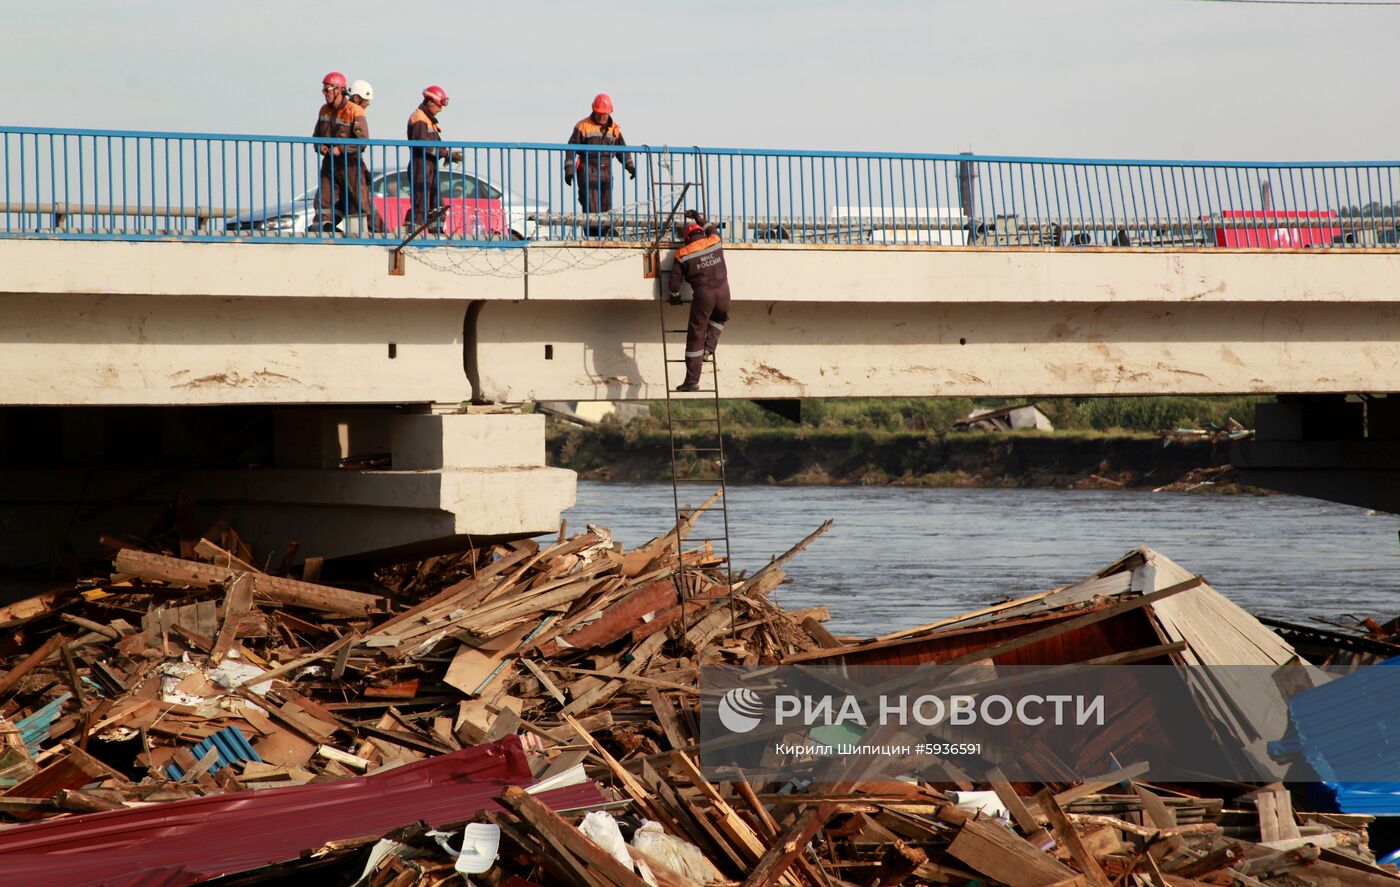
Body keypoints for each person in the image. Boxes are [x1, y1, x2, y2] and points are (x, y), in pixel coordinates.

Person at [667, 210, 730, 392]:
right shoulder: (715, 240)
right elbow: (710, 227)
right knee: (719, 319)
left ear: (687, 239)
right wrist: (696, 216)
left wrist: (675, 297)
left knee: (696, 336)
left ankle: (692, 381)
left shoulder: (683, 253)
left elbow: (674, 283)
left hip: (704, 297)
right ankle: (709, 348)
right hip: (724, 293)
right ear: (701, 234)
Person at [311, 71, 373, 234]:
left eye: (327, 89)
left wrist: (341, 149)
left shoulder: (355, 111)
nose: (324, 94)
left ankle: (369, 231)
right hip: (329, 163)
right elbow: (316, 136)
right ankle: (323, 228)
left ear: (338, 90)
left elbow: (362, 141)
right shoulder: (324, 110)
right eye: (324, 90)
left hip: (350, 164)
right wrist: (320, 146)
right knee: (324, 198)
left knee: (359, 200)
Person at [564, 93, 635, 221]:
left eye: (605, 114)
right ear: (594, 110)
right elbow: (571, 149)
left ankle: (605, 237)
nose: (602, 116)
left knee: (607, 210)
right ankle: (592, 237)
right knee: (591, 208)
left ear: (610, 112)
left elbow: (622, 151)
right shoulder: (583, 126)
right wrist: (569, 171)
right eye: (599, 113)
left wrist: (630, 166)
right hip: (587, 172)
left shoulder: (614, 129)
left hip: (606, 173)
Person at [406, 85, 463, 232]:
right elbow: (423, 144)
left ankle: (436, 231)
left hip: (429, 165)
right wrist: (446, 154)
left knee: (435, 201)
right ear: (431, 102)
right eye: (439, 106)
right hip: (420, 165)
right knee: (421, 201)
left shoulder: (428, 120)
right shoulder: (419, 118)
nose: (440, 109)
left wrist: (444, 154)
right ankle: (414, 232)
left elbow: (433, 145)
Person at [346, 80, 389, 234]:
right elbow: (362, 141)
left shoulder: (343, 110)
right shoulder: (356, 110)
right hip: (350, 163)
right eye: (366, 100)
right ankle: (378, 232)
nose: (368, 104)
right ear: (357, 98)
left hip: (348, 162)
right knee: (363, 199)